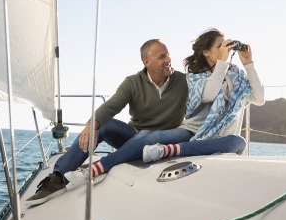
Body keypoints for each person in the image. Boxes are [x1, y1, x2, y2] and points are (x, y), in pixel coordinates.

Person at [63, 28, 264, 186]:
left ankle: (167, 151)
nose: (225, 50)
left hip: (218, 139)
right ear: (205, 51)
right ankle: (91, 170)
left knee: (238, 142)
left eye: (226, 46)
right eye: (220, 46)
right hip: (192, 133)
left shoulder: (235, 74)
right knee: (146, 137)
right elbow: (209, 94)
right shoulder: (195, 75)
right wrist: (221, 64)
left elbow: (258, 98)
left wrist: (248, 63)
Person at [25, 39, 188, 205]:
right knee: (103, 125)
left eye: (168, 55)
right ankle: (57, 179)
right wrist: (91, 126)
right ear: (146, 62)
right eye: (162, 57)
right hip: (134, 138)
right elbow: (111, 107)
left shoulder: (184, 81)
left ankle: (99, 166)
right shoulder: (133, 82)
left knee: (145, 135)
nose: (168, 60)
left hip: (168, 139)